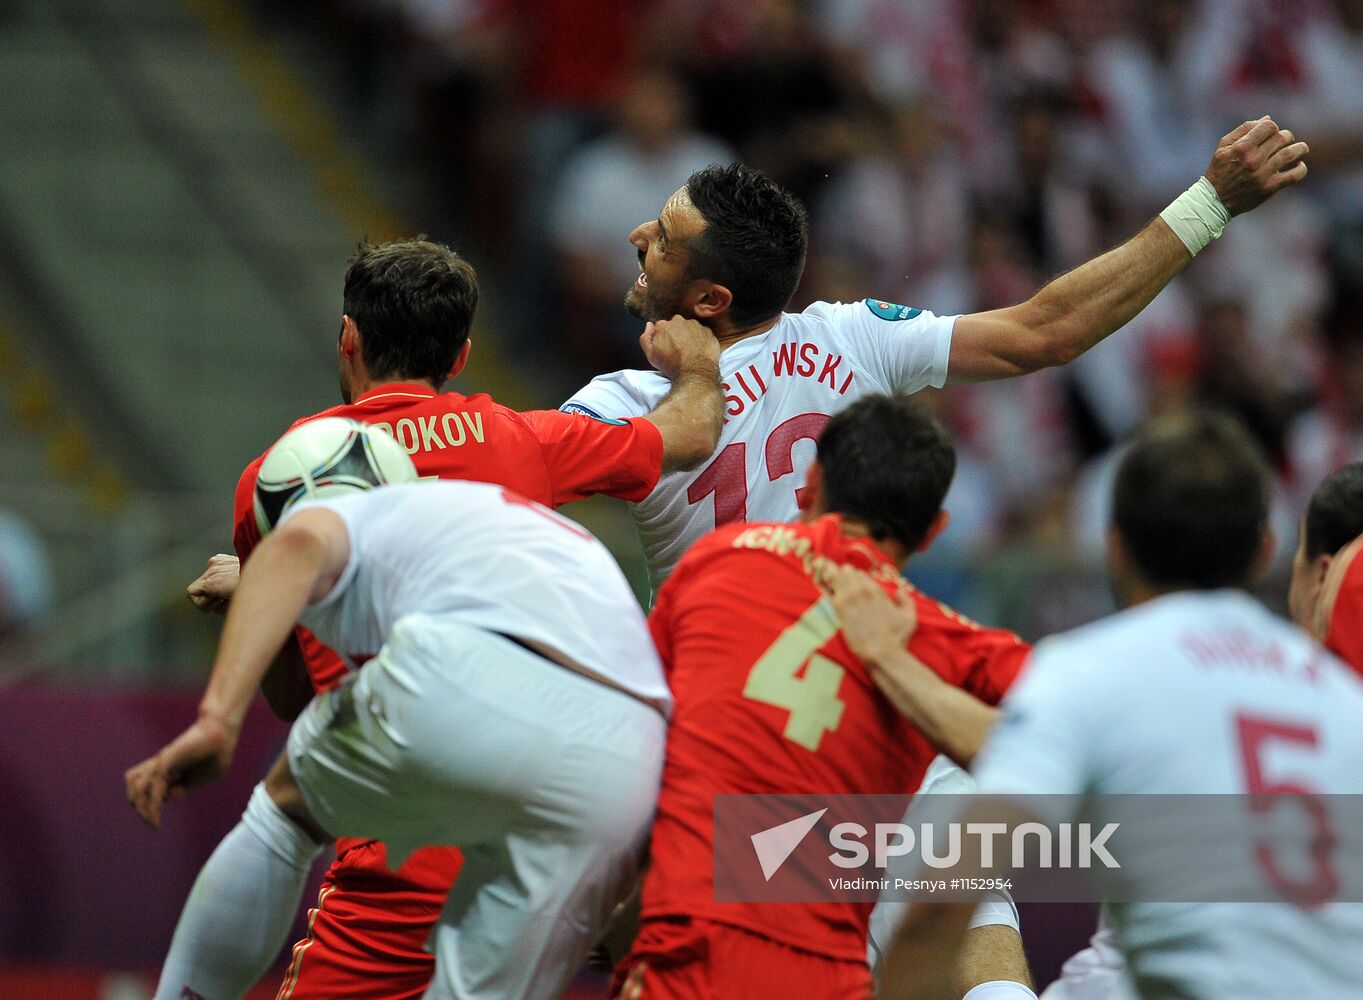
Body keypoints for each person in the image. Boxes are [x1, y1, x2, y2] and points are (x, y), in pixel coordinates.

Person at [156, 238, 724, 1000]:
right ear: (459, 356)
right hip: (585, 786)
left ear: (348, 338)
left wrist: (265, 589)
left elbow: (297, 698)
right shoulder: (527, 440)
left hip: (403, 835)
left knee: (285, 808)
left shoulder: (282, 475)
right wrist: (699, 363)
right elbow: (690, 433)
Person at [563, 117, 1308, 588]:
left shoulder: (620, 405)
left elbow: (507, 498)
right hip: (860, 690)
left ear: (709, 301)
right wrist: (1208, 202)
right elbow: (1046, 331)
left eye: (661, 237)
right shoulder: (851, 337)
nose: (637, 237)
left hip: (722, 719)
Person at [128, 464, 672, 1000]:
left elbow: (299, 551)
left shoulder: (356, 511)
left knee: (284, 809)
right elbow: (731, 797)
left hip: (488, 686)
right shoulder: (719, 571)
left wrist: (216, 721)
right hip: (628, 752)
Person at [878, 413, 1363, 999]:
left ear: (1115, 546)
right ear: (1264, 550)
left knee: (932, 808)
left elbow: (943, 901)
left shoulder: (1092, 670)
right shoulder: (1342, 700)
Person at [613, 395, 1033, 999]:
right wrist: (892, 663)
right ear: (935, 531)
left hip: (682, 964)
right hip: (823, 976)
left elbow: (640, 745)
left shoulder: (710, 562)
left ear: (809, 483)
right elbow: (1059, 743)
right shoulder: (932, 635)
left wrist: (622, 915)